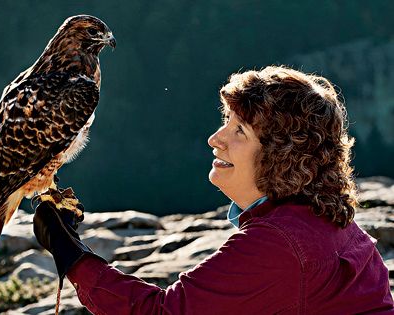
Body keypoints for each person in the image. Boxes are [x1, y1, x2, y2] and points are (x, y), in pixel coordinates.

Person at [33, 65, 394, 314]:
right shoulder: (335, 226)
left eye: (240, 132)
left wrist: (71, 254)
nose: (215, 139)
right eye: (227, 122)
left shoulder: (279, 245)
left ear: (280, 155)